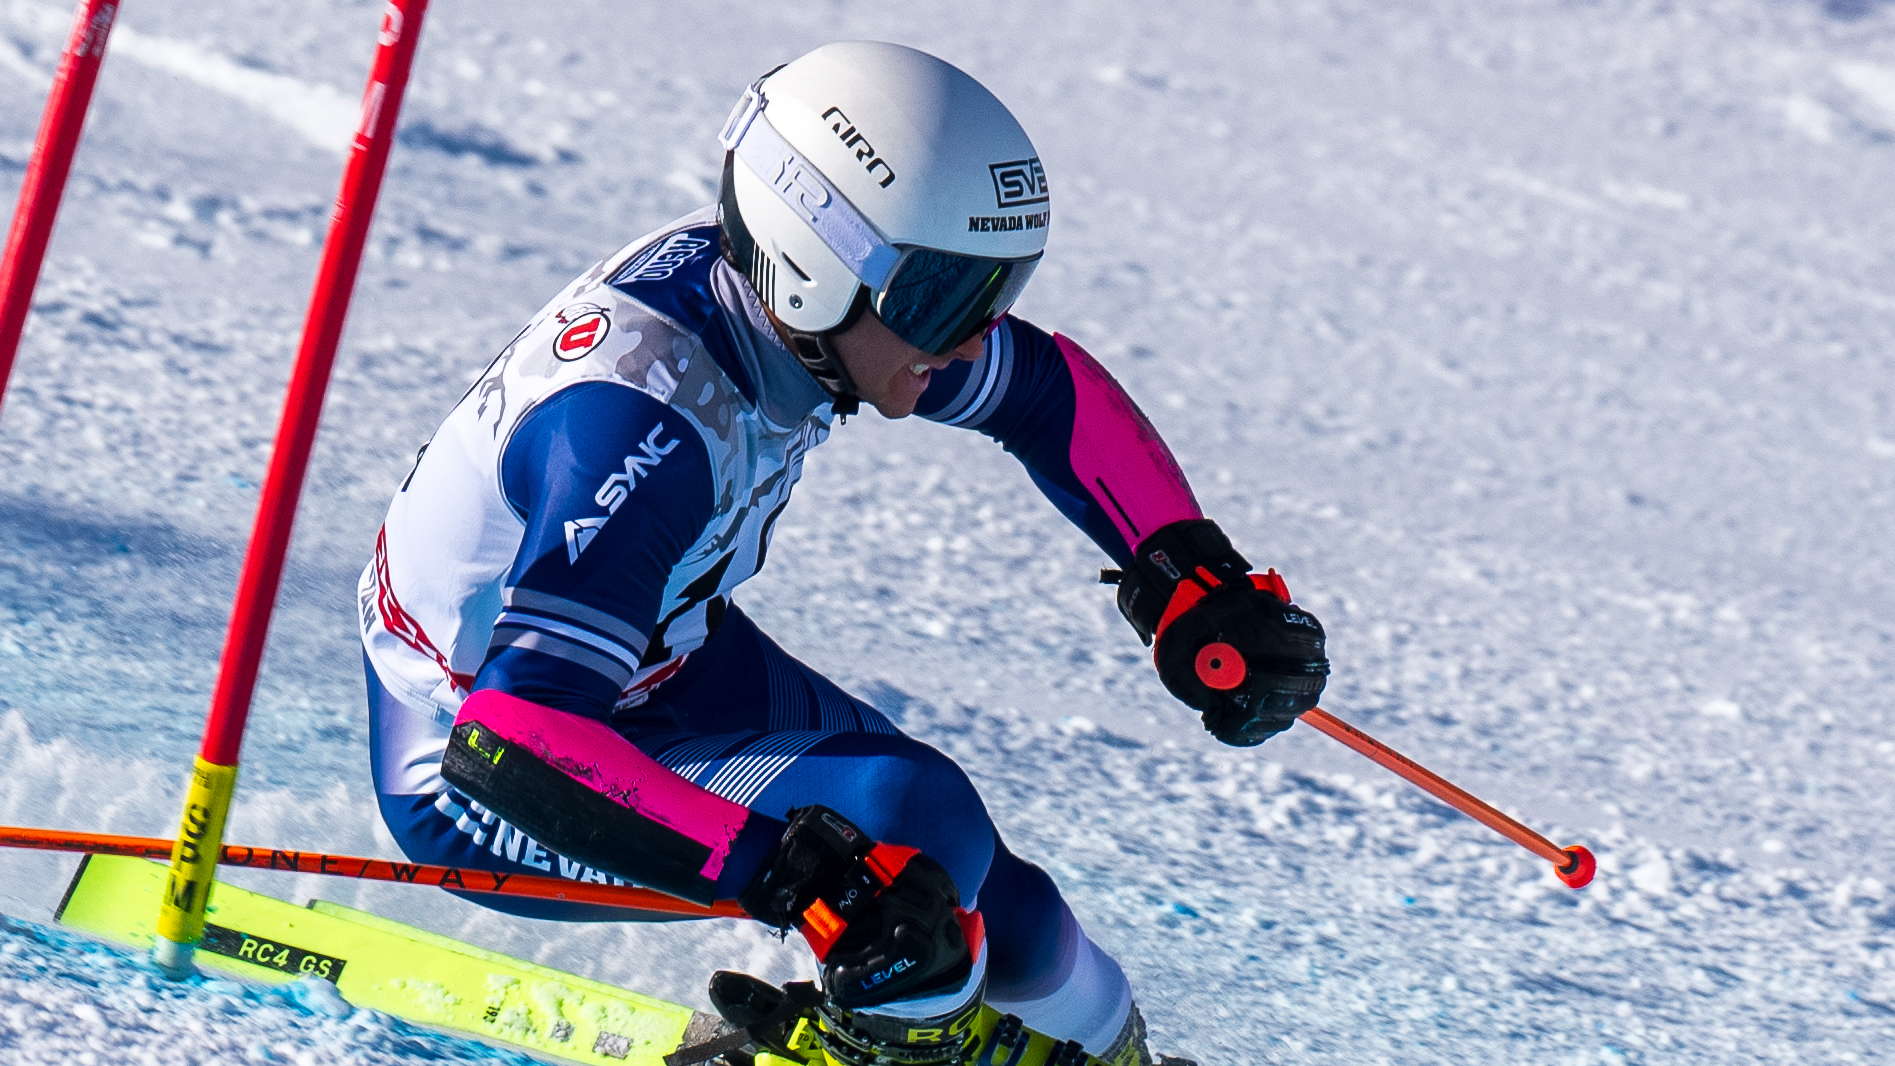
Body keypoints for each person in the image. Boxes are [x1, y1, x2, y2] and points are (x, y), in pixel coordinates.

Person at [358, 41, 1328, 1066]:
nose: (970, 338)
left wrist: (1187, 574)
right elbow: (511, 738)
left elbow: (1044, 392)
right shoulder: (648, 435)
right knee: (912, 829)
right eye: (947, 299)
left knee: (996, 898)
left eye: (993, 290)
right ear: (818, 269)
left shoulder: (788, 311)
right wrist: (786, 871)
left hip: (657, 666)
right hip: (483, 772)